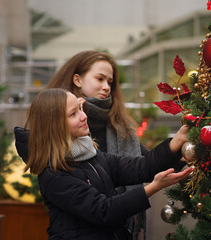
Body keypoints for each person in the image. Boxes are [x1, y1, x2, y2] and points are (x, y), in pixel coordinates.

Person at [16, 88, 193, 240]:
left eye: (80, 108)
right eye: (73, 114)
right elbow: (103, 211)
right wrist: (153, 188)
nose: (84, 116)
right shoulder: (53, 174)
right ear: (54, 125)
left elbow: (140, 167)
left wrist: (174, 144)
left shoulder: (90, 154)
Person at [45, 50, 155, 239]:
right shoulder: (52, 130)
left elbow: (143, 163)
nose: (106, 87)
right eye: (100, 79)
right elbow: (98, 208)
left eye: (110, 82)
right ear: (77, 80)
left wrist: (180, 148)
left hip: (118, 229)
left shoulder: (119, 124)